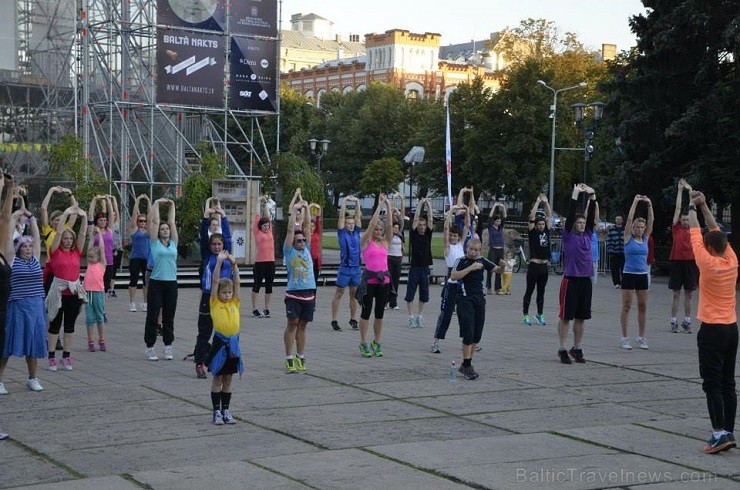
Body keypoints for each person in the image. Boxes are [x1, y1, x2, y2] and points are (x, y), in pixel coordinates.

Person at [687, 190, 737, 454]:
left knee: (712, 383)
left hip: (712, 330)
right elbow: (715, 230)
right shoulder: (731, 260)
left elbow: (696, 231)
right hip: (731, 328)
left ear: (708, 248)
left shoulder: (705, 261)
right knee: (728, 382)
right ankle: (728, 430)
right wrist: (704, 204)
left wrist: (691, 205)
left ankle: (718, 434)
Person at [0, 198, 47, 393]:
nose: (28, 248)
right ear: (18, 249)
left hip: (36, 305)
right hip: (17, 306)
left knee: (33, 343)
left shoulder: (36, 259)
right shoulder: (12, 260)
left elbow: (36, 237)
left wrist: (32, 218)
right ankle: (0, 380)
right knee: (9, 343)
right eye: (24, 247)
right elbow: (8, 238)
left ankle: (32, 378)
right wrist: (14, 217)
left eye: (29, 246)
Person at [450, 238, 503, 380]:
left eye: (476, 250)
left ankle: (468, 363)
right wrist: (471, 268)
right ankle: (466, 365)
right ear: (466, 249)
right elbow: (454, 276)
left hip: (479, 300)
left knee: (476, 335)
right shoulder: (461, 261)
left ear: (480, 251)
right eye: (470, 249)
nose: (473, 252)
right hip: (464, 300)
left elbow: (497, 270)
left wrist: (503, 266)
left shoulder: (482, 261)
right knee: (468, 332)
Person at [557, 184, 598, 364]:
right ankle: (562, 348)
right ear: (573, 224)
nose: (582, 225)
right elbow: (571, 214)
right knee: (566, 317)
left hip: (585, 281)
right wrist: (575, 194)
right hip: (570, 281)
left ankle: (577, 347)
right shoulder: (568, 235)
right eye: (579, 223)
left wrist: (593, 196)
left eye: (583, 223)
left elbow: (591, 219)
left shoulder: (588, 234)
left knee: (581, 317)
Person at [46, 205, 88, 372]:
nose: (68, 241)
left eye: (71, 239)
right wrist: (65, 215)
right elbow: (57, 234)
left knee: (70, 325)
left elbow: (83, 234)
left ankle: (66, 356)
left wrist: (84, 217)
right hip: (58, 291)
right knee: (55, 324)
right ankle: (51, 357)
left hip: (73, 292)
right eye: (66, 238)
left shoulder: (76, 252)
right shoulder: (55, 251)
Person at [206, 251, 243, 425]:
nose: (227, 295)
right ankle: (216, 412)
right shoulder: (215, 303)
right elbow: (214, 282)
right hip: (220, 343)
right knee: (218, 378)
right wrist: (220, 263)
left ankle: (226, 409)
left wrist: (234, 265)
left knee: (229, 378)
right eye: (224, 292)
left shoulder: (235, 302)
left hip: (233, 344)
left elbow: (237, 282)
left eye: (229, 292)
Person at [282, 189, 315, 373]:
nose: (301, 241)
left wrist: (307, 208)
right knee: (292, 323)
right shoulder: (289, 251)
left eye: (303, 239)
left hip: (309, 291)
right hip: (294, 291)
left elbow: (308, 225)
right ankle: (289, 357)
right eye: (299, 239)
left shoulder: (307, 249)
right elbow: (289, 230)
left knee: (303, 325)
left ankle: (300, 356)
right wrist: (294, 210)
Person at [194, 231, 233, 378]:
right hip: (208, 298)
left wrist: (223, 217)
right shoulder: (207, 257)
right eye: (214, 244)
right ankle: (199, 364)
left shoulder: (227, 258)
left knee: (224, 332)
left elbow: (228, 237)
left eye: (219, 244)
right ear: (209, 246)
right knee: (204, 333)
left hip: (224, 299)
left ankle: (220, 361)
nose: (217, 247)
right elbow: (204, 237)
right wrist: (206, 217)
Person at [357, 194, 392, 358]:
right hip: (369, 282)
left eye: (380, 229)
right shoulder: (366, 241)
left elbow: (390, 226)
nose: (378, 231)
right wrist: (379, 206)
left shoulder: (385, 242)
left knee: (380, 313)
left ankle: (376, 342)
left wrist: (389, 207)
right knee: (366, 312)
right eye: (376, 230)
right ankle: (364, 342)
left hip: (383, 281)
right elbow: (371, 225)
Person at [144, 198, 178, 361]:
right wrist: (157, 203)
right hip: (156, 282)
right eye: (162, 229)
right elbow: (155, 221)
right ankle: (150, 346)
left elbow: (171, 221)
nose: (165, 230)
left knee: (169, 316)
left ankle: (167, 345)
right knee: (153, 314)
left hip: (171, 283)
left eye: (167, 229)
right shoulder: (154, 243)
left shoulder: (174, 243)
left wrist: (171, 205)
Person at [431, 204, 468, 354]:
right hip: (451, 280)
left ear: (459, 238)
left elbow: (467, 226)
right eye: (451, 236)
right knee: (445, 313)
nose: (452, 237)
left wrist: (466, 210)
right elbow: (446, 229)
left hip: (463, 280)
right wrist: (451, 212)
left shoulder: (460, 245)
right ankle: (436, 342)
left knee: (465, 314)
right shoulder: (448, 248)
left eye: (455, 236)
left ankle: (468, 340)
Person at [619, 194, 654, 350]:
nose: (640, 229)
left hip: (642, 275)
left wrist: (649, 204)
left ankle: (641, 337)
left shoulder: (645, 238)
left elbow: (651, 221)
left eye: (642, 227)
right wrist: (635, 201)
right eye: (637, 227)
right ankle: (625, 337)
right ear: (633, 228)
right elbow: (629, 219)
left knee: (643, 306)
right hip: (628, 274)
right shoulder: (628, 237)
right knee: (627, 306)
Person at [669, 178, 698, 333]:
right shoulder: (676, 228)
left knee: (689, 294)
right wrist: (680, 190)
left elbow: (692, 207)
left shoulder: (693, 229)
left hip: (691, 262)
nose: (686, 221)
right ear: (680, 220)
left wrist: (690, 189)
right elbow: (678, 207)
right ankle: (673, 320)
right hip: (677, 262)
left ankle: (687, 320)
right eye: (684, 219)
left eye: (688, 219)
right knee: (676, 293)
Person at [331, 195, 361, 332]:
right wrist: (344, 202)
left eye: (352, 223)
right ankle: (334, 320)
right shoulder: (342, 233)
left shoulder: (356, 232)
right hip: (345, 268)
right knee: (339, 293)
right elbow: (341, 217)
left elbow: (359, 217)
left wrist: (357, 202)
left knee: (353, 295)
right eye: (349, 223)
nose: (351, 225)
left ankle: (353, 318)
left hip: (355, 268)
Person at [522, 194, 552, 326]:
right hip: (534, 265)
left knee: (541, 291)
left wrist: (545, 203)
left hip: (544, 266)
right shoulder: (532, 232)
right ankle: (526, 315)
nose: (541, 225)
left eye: (542, 223)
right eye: (539, 224)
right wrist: (537, 201)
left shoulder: (547, 231)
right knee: (529, 290)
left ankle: (540, 314)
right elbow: (532, 216)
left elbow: (549, 215)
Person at [405, 197, 434, 328]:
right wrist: (421, 204)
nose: (422, 227)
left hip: (424, 268)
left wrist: (428, 204)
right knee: (410, 292)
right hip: (415, 267)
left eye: (424, 225)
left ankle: (420, 316)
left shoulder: (428, 234)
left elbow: (431, 220)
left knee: (424, 293)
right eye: (420, 225)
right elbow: (416, 219)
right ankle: (411, 316)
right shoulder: (414, 234)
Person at [84, 226, 108, 352]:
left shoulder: (101, 264)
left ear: (98, 258)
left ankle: (102, 339)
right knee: (89, 318)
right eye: (89, 257)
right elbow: (89, 247)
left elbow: (102, 249)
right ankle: (90, 341)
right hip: (88, 293)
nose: (90, 259)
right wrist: (92, 236)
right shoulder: (89, 264)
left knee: (99, 317)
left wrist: (100, 235)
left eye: (92, 257)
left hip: (98, 293)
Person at [88, 195, 117, 297]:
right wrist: (95, 199)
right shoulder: (93, 230)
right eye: (100, 220)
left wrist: (108, 200)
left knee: (105, 285)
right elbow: (90, 214)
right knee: (96, 285)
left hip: (109, 261)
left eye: (104, 220)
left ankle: (102, 307)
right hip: (97, 261)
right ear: (97, 221)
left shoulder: (109, 230)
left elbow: (112, 216)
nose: (103, 222)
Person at [252, 195, 275, 318]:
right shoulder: (257, 232)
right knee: (257, 284)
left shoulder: (270, 231)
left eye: (267, 225)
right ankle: (255, 308)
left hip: (270, 261)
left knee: (269, 286)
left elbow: (267, 216)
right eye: (264, 225)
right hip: (260, 262)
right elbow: (257, 216)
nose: (266, 227)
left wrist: (265, 203)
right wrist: (258, 201)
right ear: (260, 226)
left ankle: (267, 309)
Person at [126, 194, 150, 312]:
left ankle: (145, 302)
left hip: (146, 258)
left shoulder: (149, 230)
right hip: (135, 258)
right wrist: (138, 200)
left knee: (146, 281)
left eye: (144, 221)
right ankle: (132, 302)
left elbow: (151, 216)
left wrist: (148, 201)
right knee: (133, 280)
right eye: (140, 221)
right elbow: (134, 215)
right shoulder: (134, 229)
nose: (143, 222)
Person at [386, 192, 405, 309]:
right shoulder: (389, 234)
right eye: (395, 227)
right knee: (388, 280)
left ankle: (394, 302)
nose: (396, 229)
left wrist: (401, 200)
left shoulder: (400, 234)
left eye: (397, 228)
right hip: (389, 257)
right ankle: (385, 301)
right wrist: (392, 201)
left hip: (398, 258)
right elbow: (388, 219)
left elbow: (401, 220)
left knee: (396, 281)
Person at [485, 201, 506, 294]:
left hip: (500, 249)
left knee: (499, 268)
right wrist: (494, 206)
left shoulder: (501, 227)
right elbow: (489, 217)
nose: (499, 222)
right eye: (497, 221)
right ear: (494, 221)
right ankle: (488, 287)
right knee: (490, 268)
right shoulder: (490, 227)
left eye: (500, 221)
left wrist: (503, 207)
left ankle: (497, 288)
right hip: (493, 249)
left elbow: (505, 216)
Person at [606, 215, 625, 288]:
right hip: (614, 252)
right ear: (615, 220)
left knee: (624, 268)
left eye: (620, 219)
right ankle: (616, 283)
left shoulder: (625, 229)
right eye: (617, 219)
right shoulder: (611, 229)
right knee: (614, 269)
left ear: (622, 221)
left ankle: (623, 282)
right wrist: (609, 249)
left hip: (623, 252)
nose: (619, 220)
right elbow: (608, 239)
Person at [309, 203, 322, 284]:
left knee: (315, 280)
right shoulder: (305, 234)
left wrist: (318, 208)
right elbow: (305, 220)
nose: (311, 227)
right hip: (309, 258)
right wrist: (308, 208)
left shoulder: (316, 233)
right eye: (310, 226)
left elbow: (318, 220)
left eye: (313, 226)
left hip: (316, 259)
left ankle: (314, 295)